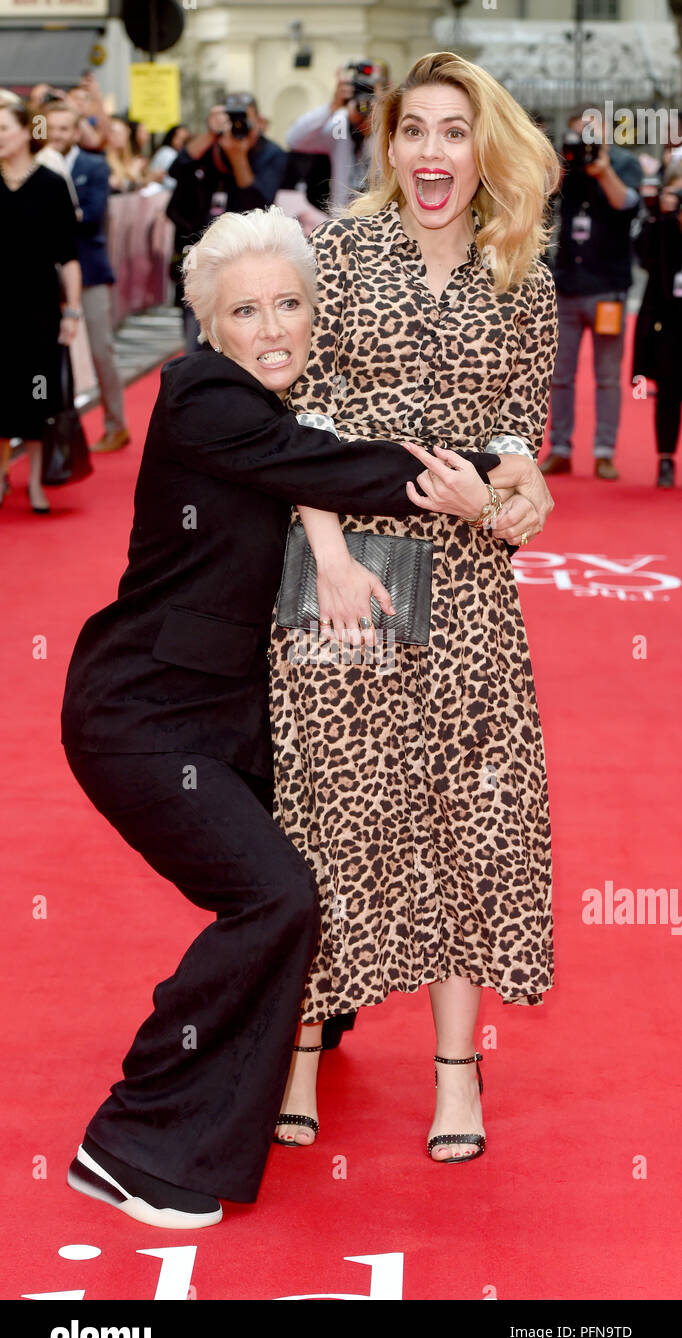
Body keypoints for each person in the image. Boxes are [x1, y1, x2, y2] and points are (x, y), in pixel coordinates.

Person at [59, 205, 534, 1229]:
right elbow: (338, 467)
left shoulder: (259, 404)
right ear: (207, 323)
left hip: (220, 722)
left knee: (302, 877)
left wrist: (496, 454)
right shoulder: (203, 394)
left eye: (288, 305)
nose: (272, 328)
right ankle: (130, 1141)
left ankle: (308, 1035)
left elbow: (317, 453)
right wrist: (493, 472)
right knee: (275, 898)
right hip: (143, 718)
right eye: (246, 311)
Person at [267, 50, 559, 1163]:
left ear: (483, 148)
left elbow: (521, 442)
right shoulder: (337, 256)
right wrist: (330, 558)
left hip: (471, 584)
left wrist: (502, 503)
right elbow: (296, 421)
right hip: (344, 566)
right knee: (326, 812)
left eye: (453, 130)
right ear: (388, 146)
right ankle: (297, 1053)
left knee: (467, 817)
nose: (431, 151)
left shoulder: (521, 272)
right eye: (413, 130)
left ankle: (456, 1075)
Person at [542, 107, 642, 481]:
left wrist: (602, 169)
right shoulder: (568, 165)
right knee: (560, 375)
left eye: (591, 131)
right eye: (578, 132)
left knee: (607, 377)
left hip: (608, 288)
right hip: (567, 285)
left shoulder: (624, 163)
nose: (584, 139)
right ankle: (560, 448)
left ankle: (604, 451)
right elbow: (542, 197)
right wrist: (560, 164)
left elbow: (625, 203)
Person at [0, 97, 81, 515]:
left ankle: (34, 482)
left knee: (37, 394)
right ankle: (1, 475)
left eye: (3, 128)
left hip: (38, 308)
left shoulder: (51, 184)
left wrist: (73, 311)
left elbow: (68, 255)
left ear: (26, 131)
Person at [167, 97, 288, 352]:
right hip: (201, 252)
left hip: (246, 255)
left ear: (259, 122)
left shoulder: (272, 154)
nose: (237, 126)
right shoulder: (210, 147)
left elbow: (258, 203)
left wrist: (237, 156)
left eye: (244, 120)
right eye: (231, 119)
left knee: (241, 331)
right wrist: (211, 134)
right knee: (197, 334)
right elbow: (176, 170)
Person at [46, 102, 130, 453]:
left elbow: (92, 216)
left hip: (91, 270)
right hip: (46, 272)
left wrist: (49, 214)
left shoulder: (94, 165)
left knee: (101, 350)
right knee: (46, 355)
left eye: (64, 128)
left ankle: (116, 425)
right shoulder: (36, 165)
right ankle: (50, 434)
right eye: (51, 128)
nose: (57, 135)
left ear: (77, 130)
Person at [632, 165, 682, 488]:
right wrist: (659, 216)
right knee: (668, 393)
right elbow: (642, 257)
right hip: (668, 324)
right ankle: (665, 458)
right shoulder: (660, 227)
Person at [285, 63, 385, 210]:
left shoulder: (388, 129)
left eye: (370, 96)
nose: (364, 105)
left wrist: (383, 115)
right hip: (343, 215)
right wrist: (334, 105)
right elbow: (294, 139)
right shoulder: (340, 127)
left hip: (380, 215)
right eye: (358, 96)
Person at [106, 115, 148, 192]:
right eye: (115, 132)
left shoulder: (126, 157)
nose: (119, 136)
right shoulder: (103, 159)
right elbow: (110, 184)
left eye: (122, 132)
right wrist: (130, 173)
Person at [148, 123, 190, 188]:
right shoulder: (168, 152)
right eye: (178, 138)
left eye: (184, 140)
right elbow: (170, 182)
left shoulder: (165, 151)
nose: (181, 142)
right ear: (171, 137)